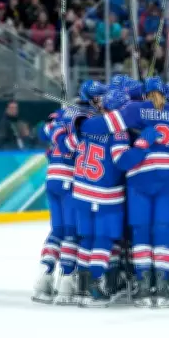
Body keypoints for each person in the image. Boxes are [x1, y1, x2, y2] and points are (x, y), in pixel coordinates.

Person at [95, 76, 169, 308]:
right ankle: (162, 286)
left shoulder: (132, 109)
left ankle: (142, 285)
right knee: (164, 228)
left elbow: (120, 150)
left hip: (140, 174)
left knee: (141, 230)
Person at [68, 88, 161, 307]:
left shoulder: (88, 124)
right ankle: (96, 284)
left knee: (87, 239)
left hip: (81, 190)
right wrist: (143, 144)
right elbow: (123, 161)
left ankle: (81, 286)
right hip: (106, 194)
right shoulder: (118, 132)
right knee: (103, 239)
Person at [32, 79, 108, 305]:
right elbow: (74, 146)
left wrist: (60, 120)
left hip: (53, 177)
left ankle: (44, 275)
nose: (103, 101)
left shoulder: (65, 115)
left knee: (57, 230)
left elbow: (45, 131)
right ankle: (66, 279)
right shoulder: (87, 119)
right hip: (69, 179)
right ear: (92, 98)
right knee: (72, 232)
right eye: (100, 97)